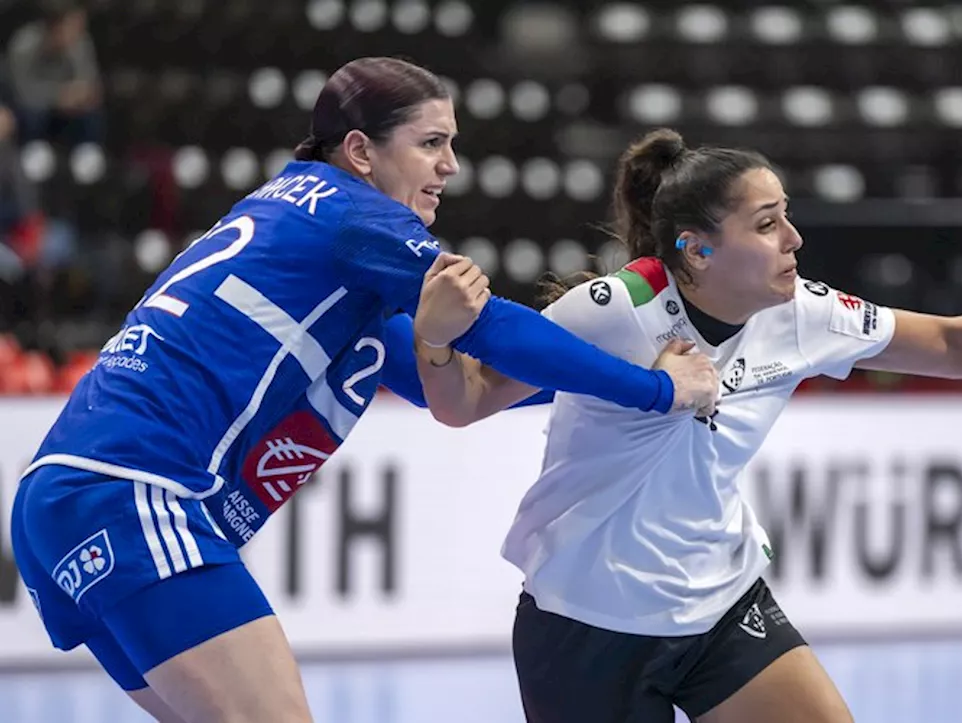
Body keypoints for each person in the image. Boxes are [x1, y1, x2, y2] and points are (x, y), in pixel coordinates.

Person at [416, 128, 962, 723]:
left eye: (787, 217)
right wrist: (434, 336)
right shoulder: (612, 312)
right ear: (696, 250)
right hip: (587, 623)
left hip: (721, 602)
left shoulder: (800, 314)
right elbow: (465, 402)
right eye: (767, 225)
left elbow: (950, 340)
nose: (794, 240)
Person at [8, 59, 718, 723]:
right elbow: (489, 326)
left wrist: (625, 373)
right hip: (137, 491)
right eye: (432, 142)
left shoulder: (312, 236)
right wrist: (654, 388)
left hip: (63, 496)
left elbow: (468, 387)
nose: (450, 166)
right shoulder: (352, 214)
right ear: (360, 150)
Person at [5, 0, 105, 145]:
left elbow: (90, 84)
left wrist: (81, 95)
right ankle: (32, 152)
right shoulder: (24, 45)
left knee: (93, 114)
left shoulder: (81, 43)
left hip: (69, 109)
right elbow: (21, 93)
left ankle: (88, 154)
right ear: (55, 27)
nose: (79, 32)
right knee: (32, 113)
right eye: (73, 26)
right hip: (33, 109)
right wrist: (57, 96)